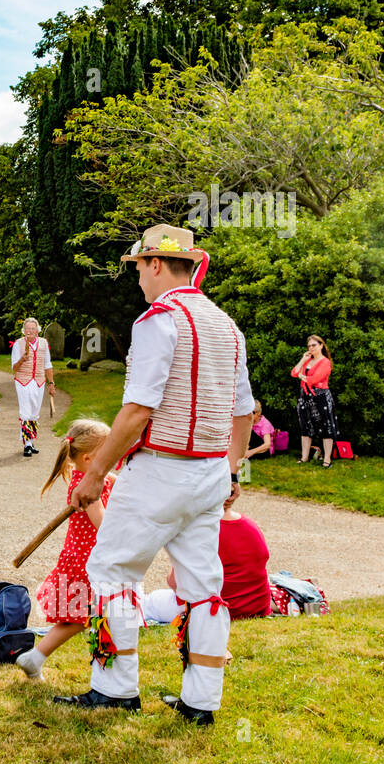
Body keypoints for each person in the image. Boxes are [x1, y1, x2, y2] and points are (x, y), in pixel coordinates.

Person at [59, 224, 254, 726]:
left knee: (111, 572)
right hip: (210, 472)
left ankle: (115, 688)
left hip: (161, 471)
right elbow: (243, 412)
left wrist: (93, 475)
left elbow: (136, 411)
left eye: (140, 268)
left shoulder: (158, 322)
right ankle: (201, 701)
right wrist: (229, 467)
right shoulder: (228, 326)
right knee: (203, 586)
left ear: (158, 265)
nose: (138, 279)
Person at [15, 419, 113, 681]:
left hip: (84, 556)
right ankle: (34, 657)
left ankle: (37, 658)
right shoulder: (87, 487)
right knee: (82, 617)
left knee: (91, 615)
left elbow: (116, 481)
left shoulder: (91, 476)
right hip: (85, 560)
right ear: (90, 458)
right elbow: (101, 522)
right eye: (109, 449)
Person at [145, 500, 273, 624]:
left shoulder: (201, 531)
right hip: (257, 608)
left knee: (151, 601)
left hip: (214, 610)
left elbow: (176, 583)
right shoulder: (251, 526)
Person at [10, 318, 55, 457]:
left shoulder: (43, 343)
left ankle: (31, 440)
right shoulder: (18, 344)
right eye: (27, 329)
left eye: (33, 329)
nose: (30, 331)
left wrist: (51, 383)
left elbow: (47, 364)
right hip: (23, 381)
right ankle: (27, 444)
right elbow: (14, 368)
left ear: (37, 330)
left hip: (39, 381)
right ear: (24, 330)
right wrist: (22, 359)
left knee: (35, 411)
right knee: (26, 411)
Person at [292, 334, 337, 468]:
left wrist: (302, 376)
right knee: (305, 426)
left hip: (321, 397)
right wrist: (302, 359)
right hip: (305, 396)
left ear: (321, 346)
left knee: (326, 426)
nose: (311, 348)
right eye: (309, 346)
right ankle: (304, 457)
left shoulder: (325, 362)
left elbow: (315, 380)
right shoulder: (307, 360)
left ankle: (327, 459)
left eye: (314, 345)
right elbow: (294, 373)